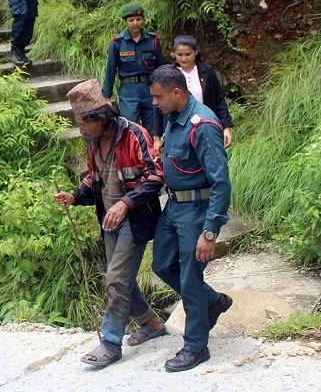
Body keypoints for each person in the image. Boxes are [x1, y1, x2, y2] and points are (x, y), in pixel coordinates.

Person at [54, 78, 166, 369]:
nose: (80, 130)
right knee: (120, 276)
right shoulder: (92, 142)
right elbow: (95, 179)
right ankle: (150, 323)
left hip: (135, 218)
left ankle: (110, 343)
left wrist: (125, 203)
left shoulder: (134, 135)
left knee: (116, 278)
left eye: (83, 124)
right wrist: (75, 197)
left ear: (100, 118)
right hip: (109, 218)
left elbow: (155, 177)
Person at [148, 65, 233, 372]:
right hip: (174, 207)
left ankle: (196, 346)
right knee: (161, 264)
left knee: (190, 277)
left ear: (176, 92)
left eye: (158, 97)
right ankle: (213, 301)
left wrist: (210, 232)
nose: (155, 103)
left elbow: (221, 182)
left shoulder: (204, 124)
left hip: (197, 210)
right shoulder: (173, 118)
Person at [102, 2, 165, 141]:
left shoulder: (152, 40)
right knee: (130, 128)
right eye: (131, 20)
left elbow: (161, 68)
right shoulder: (117, 43)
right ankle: (134, 161)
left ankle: (152, 160)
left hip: (150, 90)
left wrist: (163, 91)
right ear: (125, 21)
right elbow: (110, 70)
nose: (135, 23)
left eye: (138, 19)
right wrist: (107, 96)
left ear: (143, 19)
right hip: (129, 92)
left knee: (153, 129)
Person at [171, 35, 234, 148]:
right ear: (174, 54)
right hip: (179, 127)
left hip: (206, 124)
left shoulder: (207, 71)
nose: (184, 58)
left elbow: (219, 100)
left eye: (188, 54)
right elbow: (160, 105)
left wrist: (226, 127)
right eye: (180, 55)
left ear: (195, 52)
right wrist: (157, 137)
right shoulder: (169, 74)